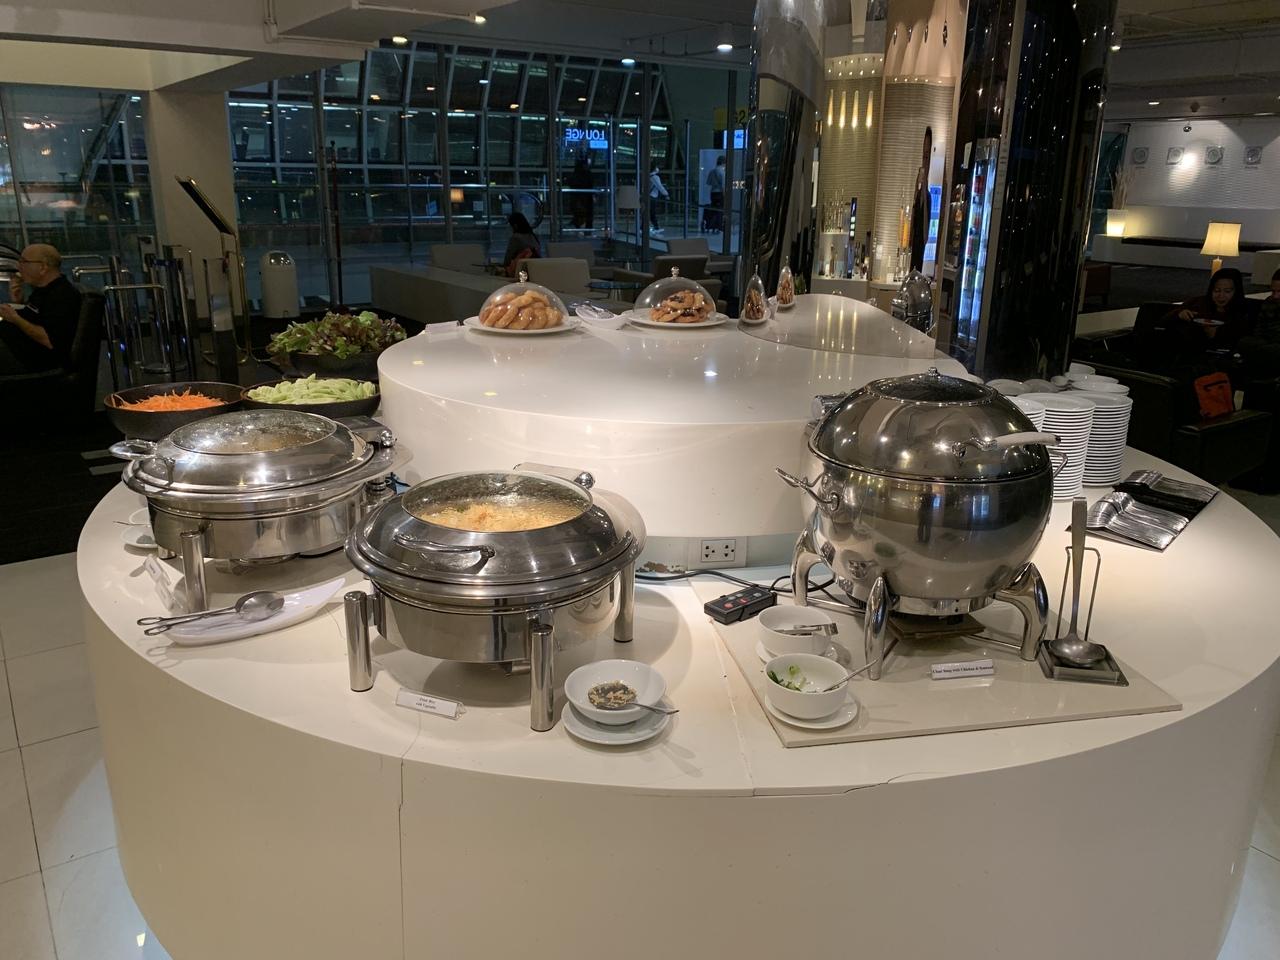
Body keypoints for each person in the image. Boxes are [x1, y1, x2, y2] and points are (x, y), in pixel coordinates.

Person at [0, 243, 83, 375]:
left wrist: (15, 318)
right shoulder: (43, 290)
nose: (19, 267)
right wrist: (18, 302)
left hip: (33, 361)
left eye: (24, 262)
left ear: (43, 267)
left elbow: (50, 341)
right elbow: (35, 318)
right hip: (16, 346)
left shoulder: (62, 295)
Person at [1162, 267, 1252, 351]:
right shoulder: (1197, 302)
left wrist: (1218, 333)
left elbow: (1245, 334)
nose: (1221, 296)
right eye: (1217, 290)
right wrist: (1179, 314)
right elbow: (1163, 321)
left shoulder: (1244, 310)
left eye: (1227, 291)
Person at [1238, 268, 1280, 378]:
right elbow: (1260, 327)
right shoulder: (1270, 302)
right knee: (1245, 343)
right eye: (1273, 291)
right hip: (1266, 340)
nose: (1275, 296)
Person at [909, 127, 933, 272]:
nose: (924, 161)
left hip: (920, 247)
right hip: (912, 246)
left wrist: (923, 187)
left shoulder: (928, 196)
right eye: (923, 156)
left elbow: (925, 235)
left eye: (927, 157)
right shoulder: (918, 194)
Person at [502, 212, 541, 277]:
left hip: (519, 272)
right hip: (535, 271)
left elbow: (507, 261)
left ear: (515, 226)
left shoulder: (516, 238)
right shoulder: (533, 236)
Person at [704, 155, 726, 232]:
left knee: (713, 209)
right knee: (720, 210)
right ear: (723, 163)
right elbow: (723, 185)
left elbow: (709, 183)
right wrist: (725, 195)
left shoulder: (712, 171)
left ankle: (711, 225)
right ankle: (719, 226)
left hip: (713, 192)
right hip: (720, 193)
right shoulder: (722, 172)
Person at [648, 161, 669, 235]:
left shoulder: (648, 176)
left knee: (649, 213)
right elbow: (660, 187)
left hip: (647, 196)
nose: (658, 168)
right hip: (652, 197)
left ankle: (643, 227)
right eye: (657, 167)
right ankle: (656, 227)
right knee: (652, 213)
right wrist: (666, 194)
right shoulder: (655, 177)